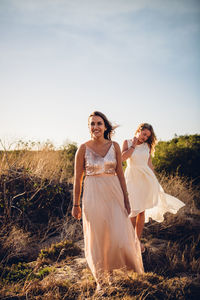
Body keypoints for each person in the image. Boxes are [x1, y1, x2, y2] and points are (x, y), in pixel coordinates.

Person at [72, 111, 144, 290]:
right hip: (92, 196)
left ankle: (112, 273)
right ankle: (101, 281)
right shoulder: (83, 148)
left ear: (105, 126)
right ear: (89, 127)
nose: (95, 127)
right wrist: (76, 204)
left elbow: (120, 173)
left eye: (99, 123)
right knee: (98, 237)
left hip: (114, 195)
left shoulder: (115, 146)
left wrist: (126, 200)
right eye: (92, 124)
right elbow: (77, 179)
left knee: (117, 235)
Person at [122, 123, 185, 252]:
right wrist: (133, 145)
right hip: (132, 178)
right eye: (144, 134)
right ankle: (128, 240)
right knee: (132, 210)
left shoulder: (147, 146)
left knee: (141, 211)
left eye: (148, 136)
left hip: (146, 179)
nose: (145, 137)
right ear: (138, 130)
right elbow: (123, 158)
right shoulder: (127, 142)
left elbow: (149, 164)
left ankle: (136, 241)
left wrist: (155, 181)